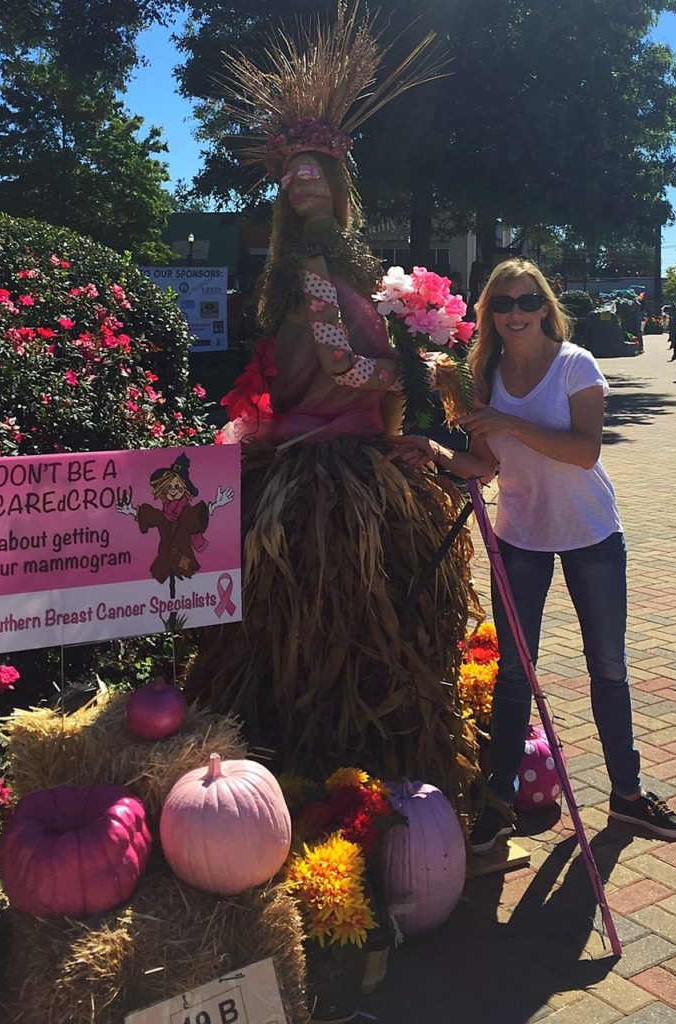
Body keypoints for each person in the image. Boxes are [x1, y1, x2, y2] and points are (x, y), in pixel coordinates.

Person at [184, 5, 482, 808]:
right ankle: (322, 768)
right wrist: (419, 373)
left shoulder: (327, 264)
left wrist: (417, 359)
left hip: (329, 460)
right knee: (334, 619)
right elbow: (347, 368)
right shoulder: (316, 270)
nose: (299, 181)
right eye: (291, 175)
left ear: (335, 179)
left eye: (312, 169)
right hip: (327, 465)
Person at [389, 258, 676, 847]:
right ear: (488, 314)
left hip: (591, 533)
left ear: (545, 307)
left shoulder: (574, 365)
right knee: (513, 672)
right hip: (520, 534)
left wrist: (510, 420)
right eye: (502, 304)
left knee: (607, 666)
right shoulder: (484, 376)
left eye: (527, 301)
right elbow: (487, 465)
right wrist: (433, 448)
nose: (515, 314)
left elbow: (584, 452)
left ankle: (628, 796)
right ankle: (499, 801)